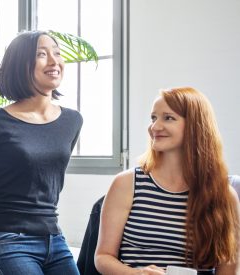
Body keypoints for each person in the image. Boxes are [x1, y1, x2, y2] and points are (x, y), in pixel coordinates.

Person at [0, 30, 83, 275]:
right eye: (41, 54)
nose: (54, 61)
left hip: (54, 239)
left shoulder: (72, 121)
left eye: (57, 53)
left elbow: (48, 183)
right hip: (6, 240)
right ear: (21, 64)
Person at [95, 87, 240, 274]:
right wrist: (137, 274)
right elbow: (103, 257)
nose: (154, 127)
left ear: (195, 125)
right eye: (153, 118)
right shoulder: (127, 183)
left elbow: (227, 270)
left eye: (168, 118)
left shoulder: (224, 196)